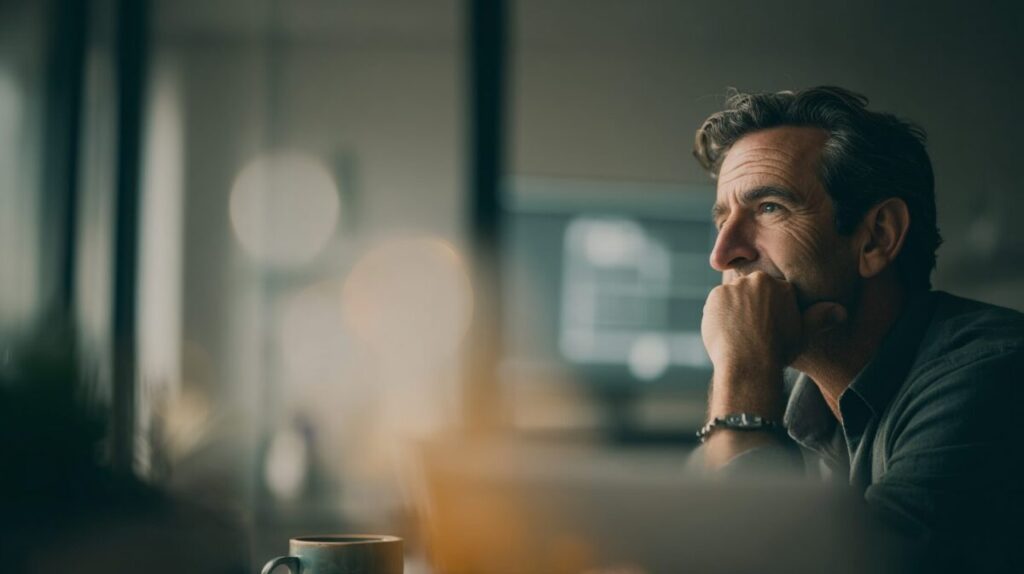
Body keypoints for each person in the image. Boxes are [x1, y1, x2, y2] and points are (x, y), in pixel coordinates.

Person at [690, 86, 1024, 572]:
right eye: (724, 219)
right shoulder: (787, 388)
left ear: (876, 238)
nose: (723, 254)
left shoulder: (992, 376)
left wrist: (741, 373)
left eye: (769, 208)